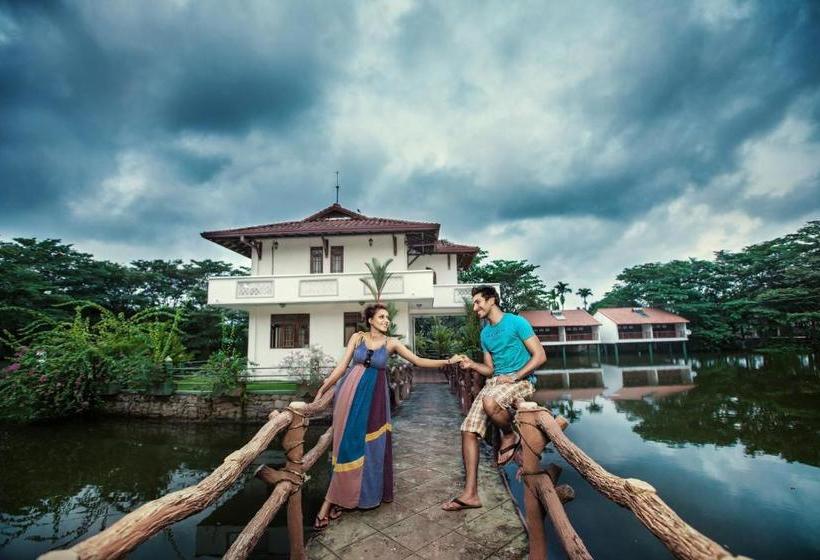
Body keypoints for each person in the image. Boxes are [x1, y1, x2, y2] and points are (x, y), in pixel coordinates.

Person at [312, 302, 463, 529]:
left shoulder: (391, 343)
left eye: (387, 318)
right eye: (381, 317)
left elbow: (418, 360)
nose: (386, 320)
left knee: (371, 445)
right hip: (350, 395)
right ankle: (331, 502)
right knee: (347, 446)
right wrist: (325, 387)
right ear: (370, 320)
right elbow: (342, 367)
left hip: (375, 400)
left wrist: (448, 361)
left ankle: (356, 497)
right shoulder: (357, 338)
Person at [442, 285, 546, 511]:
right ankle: (470, 495)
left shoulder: (517, 322)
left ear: (491, 300)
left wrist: (515, 376)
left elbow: (540, 356)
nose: (475, 307)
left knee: (490, 402)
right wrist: (471, 364)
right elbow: (489, 369)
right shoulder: (485, 333)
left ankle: (510, 435)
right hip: (495, 383)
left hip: (521, 382)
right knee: (468, 430)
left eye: (478, 302)